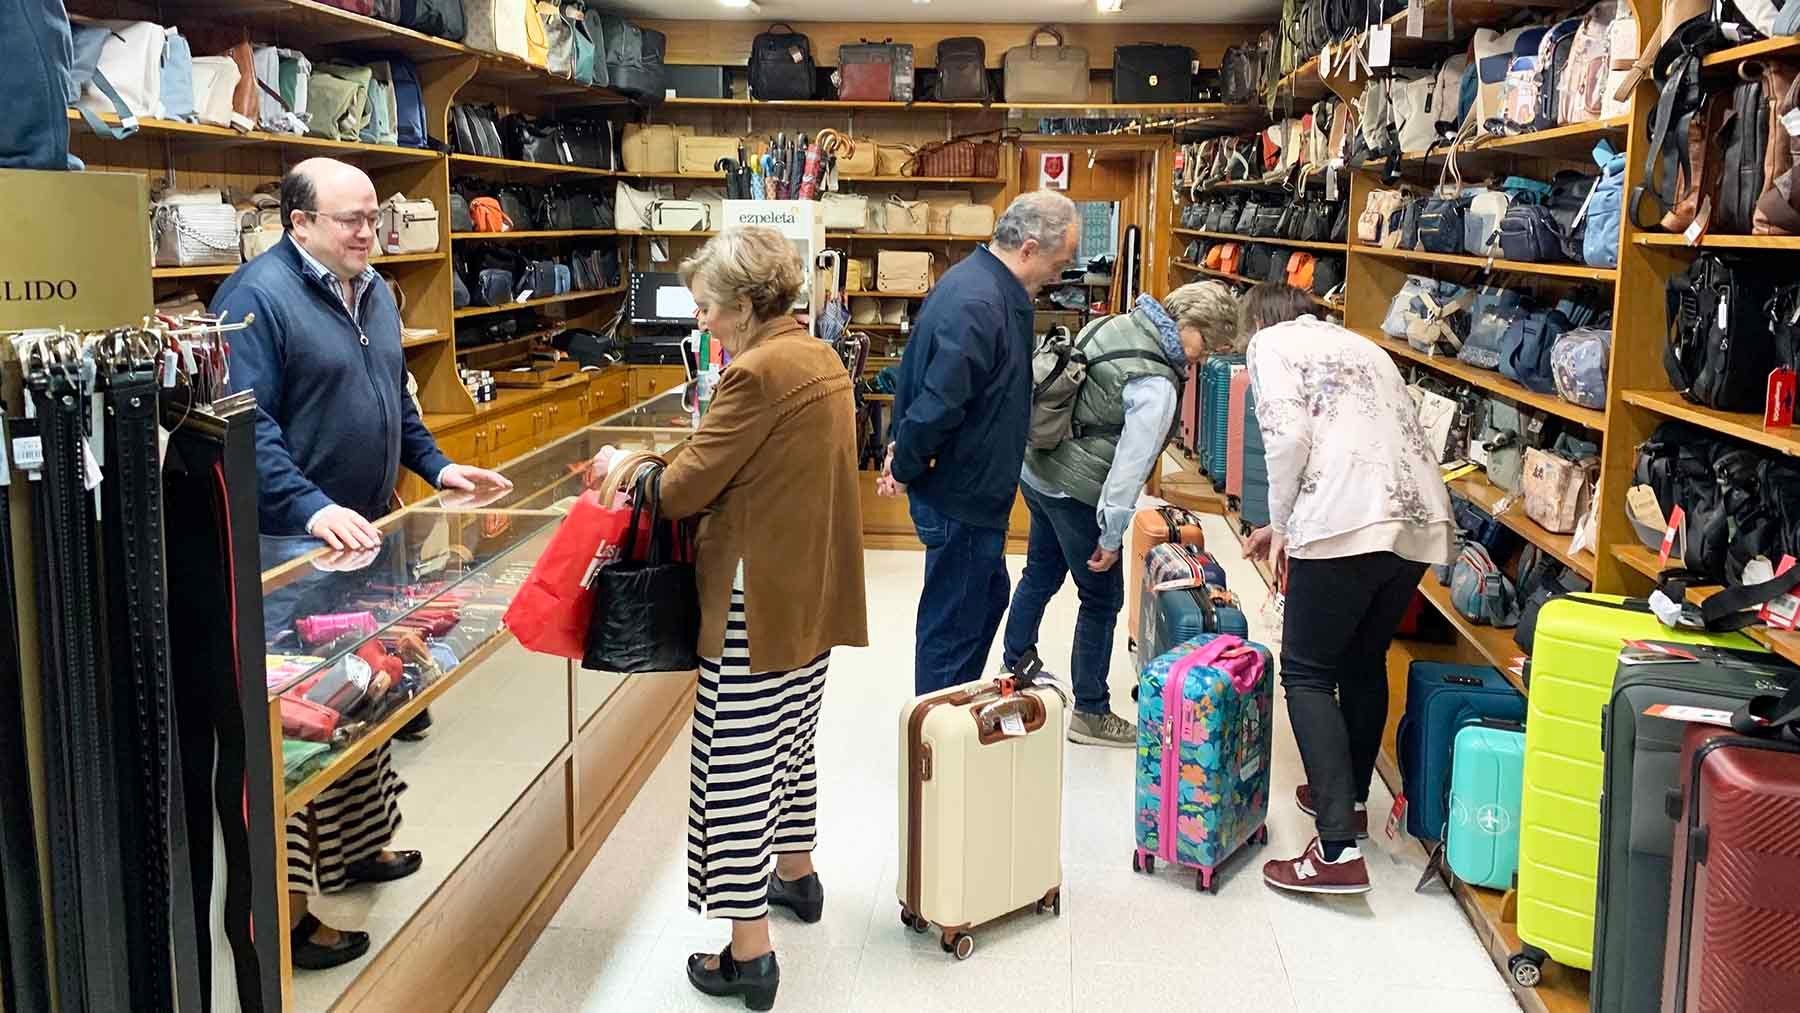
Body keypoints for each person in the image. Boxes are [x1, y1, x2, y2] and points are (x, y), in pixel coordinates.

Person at [213, 157, 512, 969]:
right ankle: (292, 913)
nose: (367, 232)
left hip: (369, 536)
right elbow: (249, 430)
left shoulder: (375, 290)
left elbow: (394, 401)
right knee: (299, 729)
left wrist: (439, 465)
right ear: (297, 222)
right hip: (291, 549)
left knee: (369, 696)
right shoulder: (255, 298)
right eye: (349, 219)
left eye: (373, 217)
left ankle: (353, 848)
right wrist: (312, 507)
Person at [591, 227, 868, 1009]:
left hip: (753, 602)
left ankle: (750, 953)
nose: (702, 320)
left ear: (746, 304)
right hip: (810, 590)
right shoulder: (817, 357)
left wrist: (629, 466)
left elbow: (679, 491)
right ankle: (796, 874)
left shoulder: (755, 372)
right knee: (790, 744)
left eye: (709, 306)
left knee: (734, 768)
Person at [1236, 284, 1456, 897]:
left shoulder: (1270, 344)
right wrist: (1279, 527)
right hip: (1416, 522)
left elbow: (1289, 442)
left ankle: (1334, 851)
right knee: (1363, 660)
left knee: (1305, 672)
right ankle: (1350, 802)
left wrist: (1283, 526)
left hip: (1343, 524)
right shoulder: (1366, 347)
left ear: (1260, 319)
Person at [1001, 282, 1243, 746]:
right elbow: (1130, 466)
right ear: (1189, 326)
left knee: (1040, 573)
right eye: (1205, 345)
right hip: (1078, 491)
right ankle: (1091, 712)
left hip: (1038, 471)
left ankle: (1015, 668)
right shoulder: (1157, 379)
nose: (1203, 359)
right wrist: (1111, 534)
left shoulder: (1114, 323)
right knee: (1100, 598)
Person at [878, 190, 1081, 698]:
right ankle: (937, 739)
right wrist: (902, 464)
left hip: (973, 494)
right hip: (960, 497)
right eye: (1058, 264)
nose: (1059, 277)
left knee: (987, 598)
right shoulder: (979, 302)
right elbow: (939, 400)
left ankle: (951, 714)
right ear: (1029, 249)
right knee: (953, 625)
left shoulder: (990, 290)